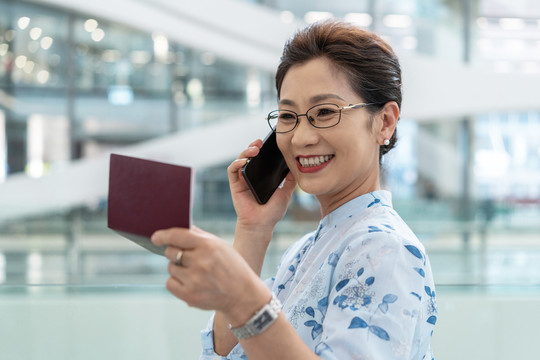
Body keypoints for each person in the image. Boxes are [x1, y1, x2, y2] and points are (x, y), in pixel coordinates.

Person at [151, 20, 437, 359]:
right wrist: (253, 229)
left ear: (384, 122)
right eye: (288, 116)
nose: (301, 138)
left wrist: (245, 300)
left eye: (325, 112)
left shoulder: (385, 249)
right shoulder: (308, 249)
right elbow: (227, 354)